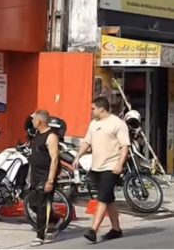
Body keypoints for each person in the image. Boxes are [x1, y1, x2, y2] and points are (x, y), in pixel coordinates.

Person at [73, 96, 130, 243]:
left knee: (102, 198)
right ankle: (116, 229)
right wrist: (78, 156)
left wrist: (119, 164)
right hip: (96, 166)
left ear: (101, 108)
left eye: (93, 109)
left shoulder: (118, 124)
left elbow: (125, 146)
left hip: (111, 167)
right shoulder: (93, 124)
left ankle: (93, 230)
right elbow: (86, 142)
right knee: (108, 197)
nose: (91, 111)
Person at [27, 110, 63, 247]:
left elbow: (54, 159)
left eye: (34, 119)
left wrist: (50, 180)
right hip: (35, 176)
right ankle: (56, 220)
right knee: (32, 203)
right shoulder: (37, 135)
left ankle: (40, 236)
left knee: (42, 206)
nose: (32, 121)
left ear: (40, 122)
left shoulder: (51, 136)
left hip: (45, 177)